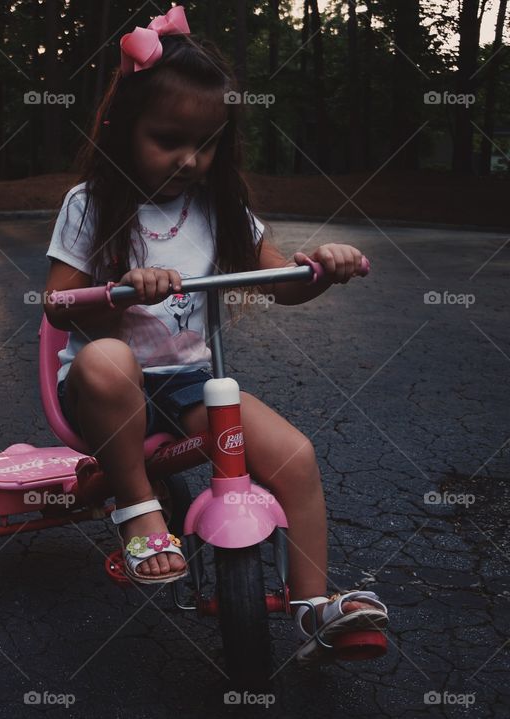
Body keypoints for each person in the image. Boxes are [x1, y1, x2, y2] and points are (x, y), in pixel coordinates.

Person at [42, 6, 387, 661]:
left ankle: (312, 603)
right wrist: (122, 290)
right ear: (123, 128)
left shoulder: (218, 208)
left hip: (192, 383)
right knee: (112, 359)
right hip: (105, 388)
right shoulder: (90, 204)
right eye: (169, 139)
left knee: (295, 454)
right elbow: (58, 301)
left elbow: (282, 281)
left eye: (206, 144)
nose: (190, 160)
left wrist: (323, 267)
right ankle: (140, 512)